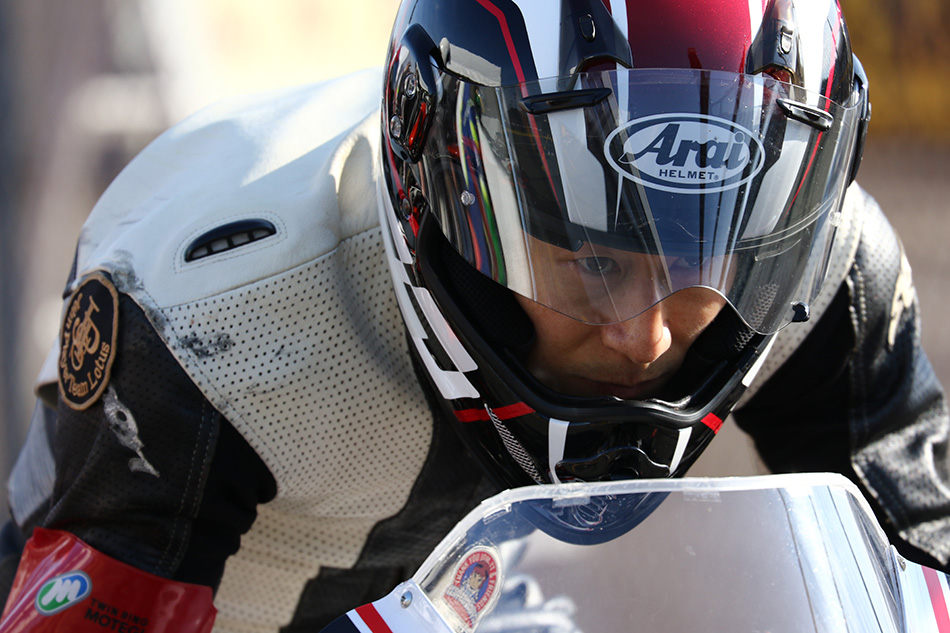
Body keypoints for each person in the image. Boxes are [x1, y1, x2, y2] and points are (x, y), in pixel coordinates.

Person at [1, 0, 948, 631]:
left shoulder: (825, 260)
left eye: (707, 262)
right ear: (443, 188)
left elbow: (926, 570)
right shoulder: (214, 308)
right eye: (592, 261)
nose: (648, 336)